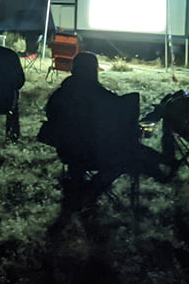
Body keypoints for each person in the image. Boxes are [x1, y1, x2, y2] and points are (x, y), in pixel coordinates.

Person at [39, 52, 167, 211]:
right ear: (93, 71)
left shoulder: (58, 95)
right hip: (95, 155)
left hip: (68, 153)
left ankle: (81, 188)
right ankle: (92, 189)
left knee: (128, 151)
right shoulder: (100, 96)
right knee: (127, 155)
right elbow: (122, 121)